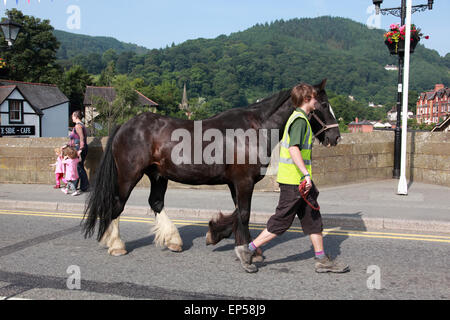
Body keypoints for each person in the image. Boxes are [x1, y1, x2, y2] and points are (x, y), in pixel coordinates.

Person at [234, 83, 349, 274]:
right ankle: (248, 250)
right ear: (306, 100)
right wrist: (305, 174)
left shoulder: (300, 118)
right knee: (281, 222)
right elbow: (294, 149)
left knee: (313, 219)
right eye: (314, 98)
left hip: (301, 182)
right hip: (294, 182)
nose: (316, 102)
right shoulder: (299, 121)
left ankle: (321, 259)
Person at [69, 110, 90, 192]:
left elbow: (82, 138)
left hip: (79, 148)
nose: (72, 118)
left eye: (72, 116)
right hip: (80, 148)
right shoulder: (81, 125)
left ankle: (85, 186)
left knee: (79, 167)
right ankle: (75, 185)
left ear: (76, 117)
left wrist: (80, 149)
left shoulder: (78, 126)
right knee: (78, 167)